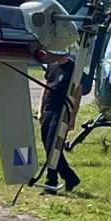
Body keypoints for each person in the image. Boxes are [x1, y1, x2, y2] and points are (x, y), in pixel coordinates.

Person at [38, 53, 81, 194]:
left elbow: (77, 92)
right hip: (47, 110)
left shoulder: (73, 68)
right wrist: (40, 110)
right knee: (48, 146)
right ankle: (70, 177)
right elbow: (45, 87)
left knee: (53, 147)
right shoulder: (51, 66)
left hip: (60, 112)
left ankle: (51, 183)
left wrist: (72, 117)